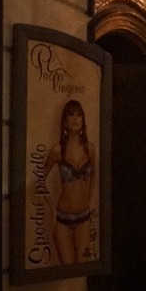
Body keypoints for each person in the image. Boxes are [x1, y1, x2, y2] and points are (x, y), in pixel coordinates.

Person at [43, 99, 96, 264]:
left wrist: (91, 200)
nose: (75, 119)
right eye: (71, 115)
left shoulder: (90, 148)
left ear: (83, 120)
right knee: (67, 268)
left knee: (81, 269)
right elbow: (40, 179)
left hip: (84, 217)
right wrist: (51, 207)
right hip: (62, 218)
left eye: (79, 115)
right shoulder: (57, 150)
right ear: (64, 122)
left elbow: (94, 176)